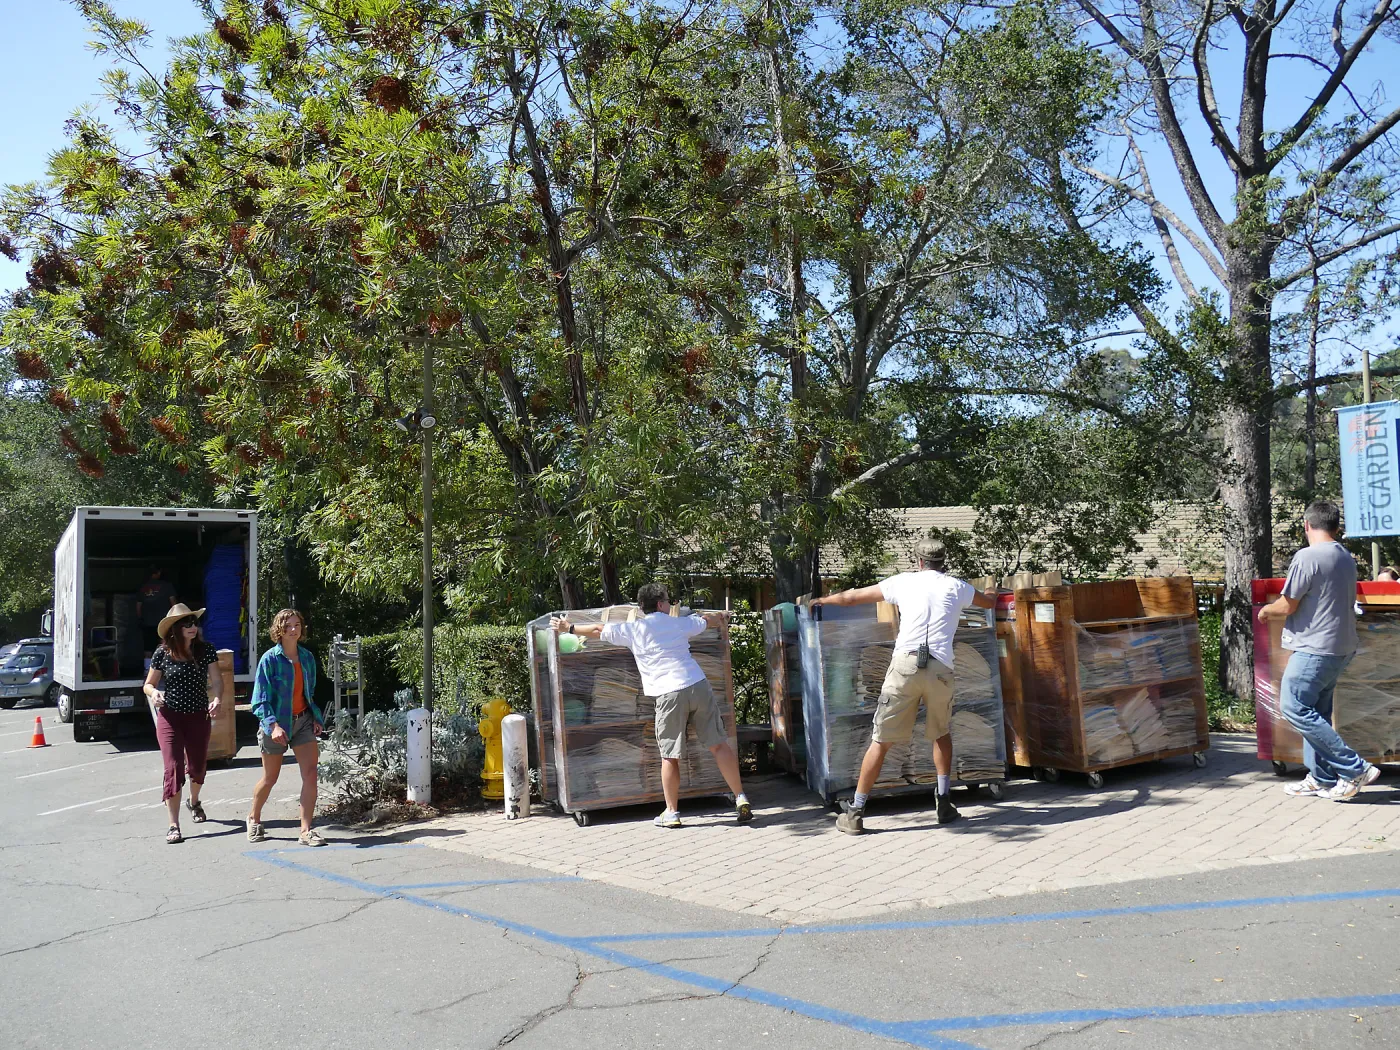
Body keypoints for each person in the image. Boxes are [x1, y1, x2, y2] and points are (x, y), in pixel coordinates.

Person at [811, 538, 996, 834]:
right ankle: (944, 802)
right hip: (941, 669)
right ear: (942, 561)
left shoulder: (902, 583)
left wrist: (822, 601)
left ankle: (856, 811)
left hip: (906, 667)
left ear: (919, 561)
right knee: (941, 733)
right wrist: (991, 589)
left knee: (882, 739)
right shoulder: (957, 587)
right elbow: (989, 603)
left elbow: (854, 597)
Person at [550, 585, 752, 828]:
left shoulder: (634, 629)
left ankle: (672, 813)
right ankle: (741, 798)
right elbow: (705, 621)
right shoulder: (678, 623)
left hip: (668, 694)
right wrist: (721, 616)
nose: (670, 604)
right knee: (719, 744)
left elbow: (597, 628)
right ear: (659, 604)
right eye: (668, 601)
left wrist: (568, 627)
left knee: (670, 755)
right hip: (697, 685)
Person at [1260, 501, 1381, 801]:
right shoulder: (1345, 557)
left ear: (1306, 526)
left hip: (1314, 648)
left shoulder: (1308, 557)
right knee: (1318, 713)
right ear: (1337, 527)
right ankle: (1321, 778)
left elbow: (1289, 603)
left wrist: (1266, 612)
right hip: (1340, 647)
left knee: (1294, 706)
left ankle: (1355, 768)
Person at [142, 604, 222, 844]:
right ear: (175, 629)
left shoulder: (205, 650)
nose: (193, 628)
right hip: (170, 717)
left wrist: (217, 699)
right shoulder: (162, 653)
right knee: (173, 768)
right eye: (187, 624)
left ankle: (194, 802)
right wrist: (154, 693)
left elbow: (217, 680)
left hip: (198, 715)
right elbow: (147, 684)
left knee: (197, 767)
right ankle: (173, 825)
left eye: (194, 623)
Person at [248, 609, 326, 846]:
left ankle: (305, 831)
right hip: (276, 724)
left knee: (311, 773)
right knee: (270, 777)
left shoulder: (307, 658)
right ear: (279, 629)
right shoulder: (269, 660)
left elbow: (309, 693)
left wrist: (315, 717)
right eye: (288, 625)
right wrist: (273, 726)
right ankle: (253, 818)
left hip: (302, 721)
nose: (294, 629)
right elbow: (259, 700)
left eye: (297, 625)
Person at [137, 568, 178, 656]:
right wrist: (176, 618)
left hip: (147, 621)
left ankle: (147, 668)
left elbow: (138, 606)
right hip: (164, 622)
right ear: (159, 572)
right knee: (165, 644)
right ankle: (165, 666)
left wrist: (140, 618)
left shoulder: (143, 587)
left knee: (148, 646)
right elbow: (173, 603)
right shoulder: (167, 586)